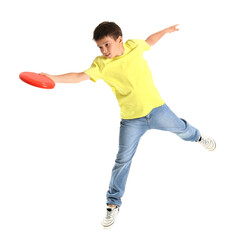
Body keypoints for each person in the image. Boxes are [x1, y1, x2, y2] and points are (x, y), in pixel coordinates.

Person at [41, 21, 216, 229]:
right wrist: (52, 78)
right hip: (132, 120)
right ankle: (113, 204)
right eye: (100, 47)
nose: (104, 50)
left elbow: (150, 40)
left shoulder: (134, 46)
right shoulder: (101, 64)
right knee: (122, 160)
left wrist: (166, 31)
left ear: (119, 39)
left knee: (182, 128)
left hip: (157, 110)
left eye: (106, 44)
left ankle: (198, 137)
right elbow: (80, 76)